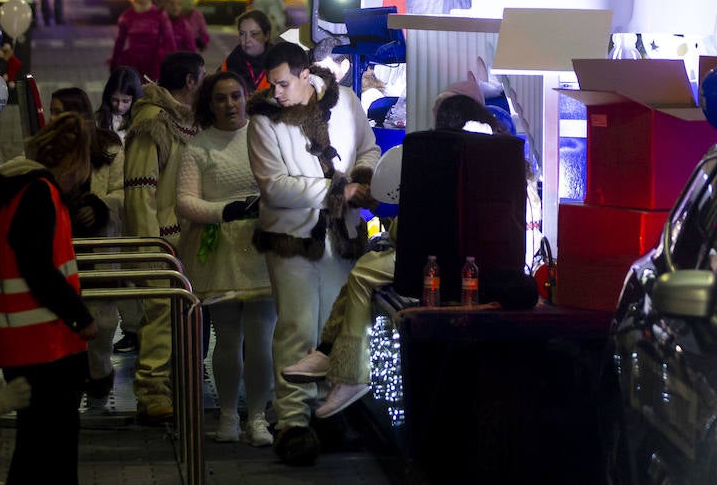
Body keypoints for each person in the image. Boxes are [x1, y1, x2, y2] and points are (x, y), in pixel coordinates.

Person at [283, 94, 501, 420]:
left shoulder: (460, 155)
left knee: (362, 276)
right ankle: (331, 353)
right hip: (446, 253)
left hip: (450, 260)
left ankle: (351, 372)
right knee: (365, 269)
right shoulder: (474, 154)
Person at [247, 41, 379, 466]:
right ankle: (292, 422)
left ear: (306, 74)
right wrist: (340, 190)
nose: (277, 92)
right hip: (293, 239)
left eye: (284, 83)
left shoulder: (347, 102)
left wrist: (362, 178)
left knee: (333, 330)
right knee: (297, 329)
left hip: (340, 236)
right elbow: (274, 186)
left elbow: (370, 150)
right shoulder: (265, 120)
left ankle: (328, 414)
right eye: (272, 84)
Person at [0, 112, 97, 484]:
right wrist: (79, 316)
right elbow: (38, 266)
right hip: (49, 343)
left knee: (33, 446)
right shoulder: (40, 193)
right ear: (74, 161)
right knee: (51, 450)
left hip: (18, 342)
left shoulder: (6, 190)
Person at [175, 71, 274, 447]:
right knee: (228, 339)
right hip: (219, 254)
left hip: (263, 250)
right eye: (221, 98)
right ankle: (230, 413)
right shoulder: (198, 146)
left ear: (247, 98)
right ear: (209, 104)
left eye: (236, 96)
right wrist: (224, 211)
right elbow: (184, 202)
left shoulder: (265, 137)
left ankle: (259, 415)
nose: (230, 104)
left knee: (262, 339)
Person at [122, 50, 204, 423]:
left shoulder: (183, 121)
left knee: (179, 316)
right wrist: (149, 245)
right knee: (161, 316)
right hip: (162, 243)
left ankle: (175, 383)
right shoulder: (153, 122)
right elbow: (140, 188)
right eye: (202, 77)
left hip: (185, 238)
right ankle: (152, 391)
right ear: (190, 81)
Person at [51, 87, 131, 404]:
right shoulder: (48, 149)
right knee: (65, 315)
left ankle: (99, 367)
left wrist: (100, 205)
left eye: (60, 111)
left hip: (98, 242)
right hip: (63, 243)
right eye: (52, 111)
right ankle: (72, 374)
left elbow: (124, 192)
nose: (54, 118)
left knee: (103, 319)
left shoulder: (109, 146)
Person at [110, 0, 193, 83]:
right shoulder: (126, 16)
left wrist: (169, 62)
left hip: (154, 63)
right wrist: (115, 63)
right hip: (132, 62)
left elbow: (169, 41)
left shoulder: (160, 15)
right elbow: (119, 42)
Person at [220, 9, 272, 92]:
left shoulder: (279, 63)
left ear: (266, 35)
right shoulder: (230, 64)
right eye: (242, 34)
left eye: (254, 34)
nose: (247, 40)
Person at [97, 65, 144, 141]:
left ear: (135, 98)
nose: (119, 107)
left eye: (125, 101)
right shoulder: (99, 120)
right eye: (115, 100)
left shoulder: (144, 120)